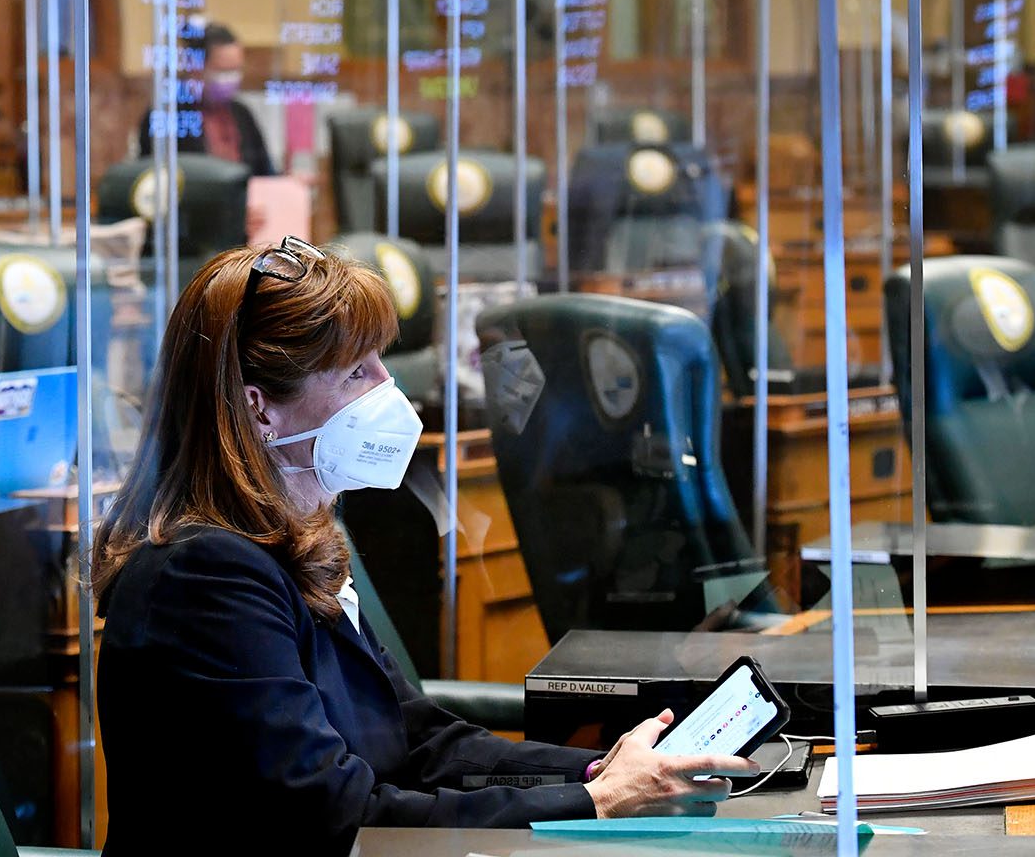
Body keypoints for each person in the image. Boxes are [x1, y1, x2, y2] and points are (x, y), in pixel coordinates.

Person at [91, 238, 755, 854]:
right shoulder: (202, 575)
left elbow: (419, 739)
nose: (390, 388)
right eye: (357, 372)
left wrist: (595, 769)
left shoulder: (290, 543)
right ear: (260, 408)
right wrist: (593, 802)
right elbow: (337, 812)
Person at [136, 21, 277, 177]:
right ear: (195, 68)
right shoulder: (168, 113)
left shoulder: (242, 114)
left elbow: (266, 171)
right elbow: (153, 175)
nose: (231, 78)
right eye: (223, 70)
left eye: (236, 70)